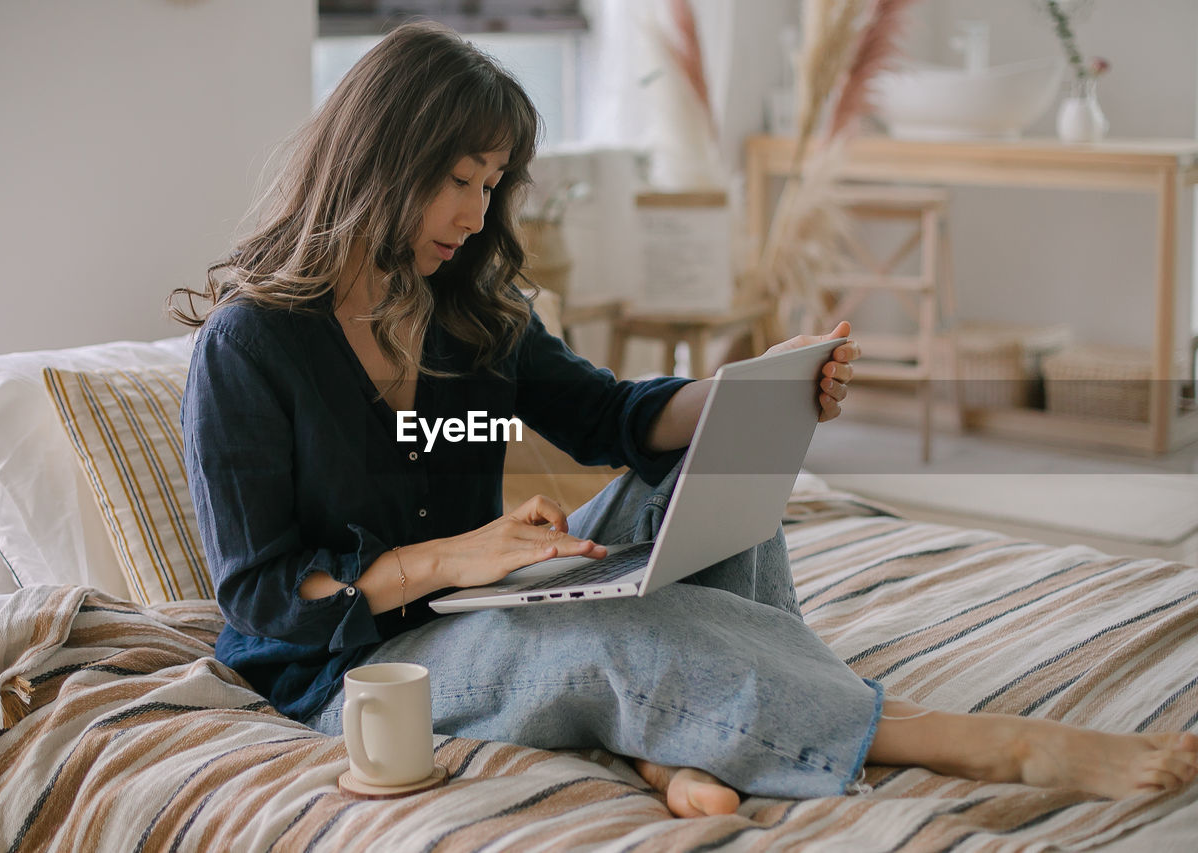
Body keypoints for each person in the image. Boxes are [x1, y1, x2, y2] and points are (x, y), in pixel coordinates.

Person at [173, 21, 1197, 818]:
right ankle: (979, 742)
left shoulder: (466, 311)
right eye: (457, 181)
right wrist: (455, 559)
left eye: (490, 186)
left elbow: (614, 420)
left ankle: (672, 742)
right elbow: (263, 593)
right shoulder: (252, 347)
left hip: (472, 605)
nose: (476, 216)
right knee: (610, 627)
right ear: (380, 159)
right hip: (351, 667)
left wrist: (748, 392)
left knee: (698, 479)